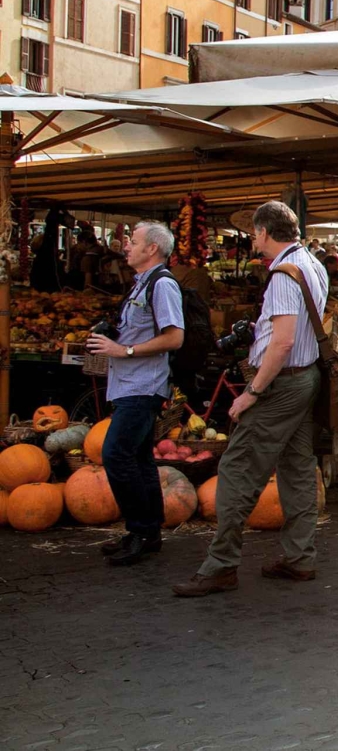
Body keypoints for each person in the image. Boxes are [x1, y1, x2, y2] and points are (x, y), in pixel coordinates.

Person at [174, 201, 327, 598]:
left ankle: (220, 565)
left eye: (254, 235)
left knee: (237, 470)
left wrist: (252, 393)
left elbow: (284, 341)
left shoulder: (283, 275)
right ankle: (299, 558)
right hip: (304, 379)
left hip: (281, 385)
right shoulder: (312, 263)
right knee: (296, 469)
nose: (254, 242)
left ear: (263, 232)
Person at [85, 221, 184, 567]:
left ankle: (142, 530)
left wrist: (122, 351)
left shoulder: (163, 285)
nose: (126, 245)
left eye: (134, 240)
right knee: (139, 458)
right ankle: (146, 531)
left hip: (144, 385)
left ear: (152, 249)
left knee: (116, 455)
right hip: (129, 385)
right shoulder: (142, 283)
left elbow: (174, 337)